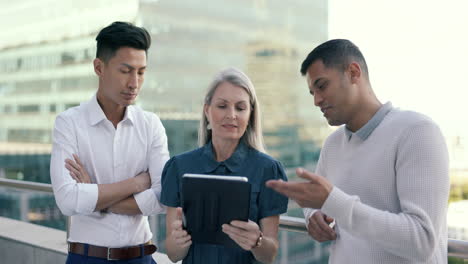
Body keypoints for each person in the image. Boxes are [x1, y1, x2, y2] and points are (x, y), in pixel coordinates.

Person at [266, 39, 449, 263]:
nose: (316, 101)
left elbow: (422, 241)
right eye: (312, 92)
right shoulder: (332, 145)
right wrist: (313, 216)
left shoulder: (417, 131)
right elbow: (322, 201)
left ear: (353, 72)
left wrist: (335, 203)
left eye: (322, 86)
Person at [50, 21, 169, 264]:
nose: (134, 83)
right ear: (99, 67)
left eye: (141, 72)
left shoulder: (151, 125)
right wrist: (136, 183)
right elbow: (68, 200)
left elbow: (163, 197)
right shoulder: (69, 123)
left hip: (142, 257)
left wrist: (94, 197)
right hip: (87, 258)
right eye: (125, 71)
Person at [160, 67, 288, 264]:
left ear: (250, 114)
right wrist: (179, 242)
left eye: (240, 107)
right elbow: (173, 254)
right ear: (207, 111)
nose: (232, 115)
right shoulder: (179, 167)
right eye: (222, 106)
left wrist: (257, 241)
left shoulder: (268, 170)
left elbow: (269, 255)